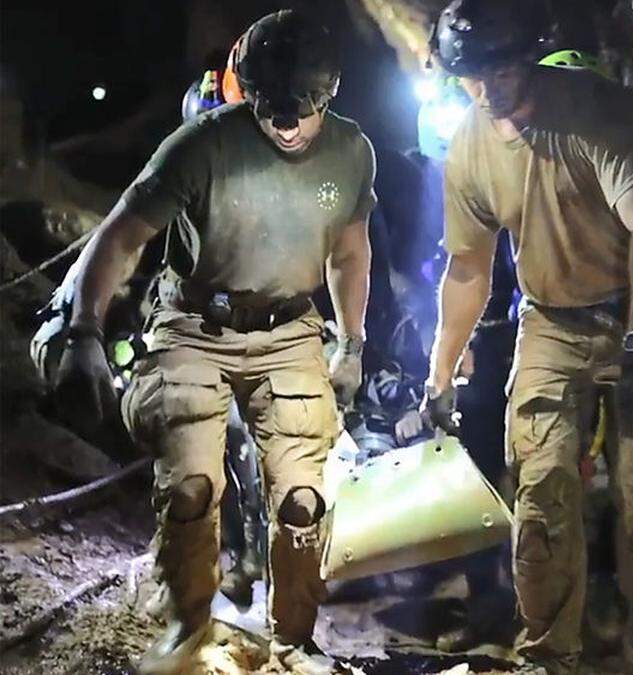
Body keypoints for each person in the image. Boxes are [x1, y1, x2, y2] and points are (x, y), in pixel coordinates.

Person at [52, 10, 375, 673]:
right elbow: (122, 235)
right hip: (195, 322)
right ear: (246, 92)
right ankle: (188, 621)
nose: (286, 124)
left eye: (301, 109)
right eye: (271, 109)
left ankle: (295, 636)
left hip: (288, 326)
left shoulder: (350, 152)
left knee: (301, 497)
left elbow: (349, 252)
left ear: (330, 91)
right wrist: (85, 325)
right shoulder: (201, 146)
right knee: (193, 483)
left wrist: (353, 343)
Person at [423, 0, 633, 671]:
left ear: (526, 58)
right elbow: (467, 269)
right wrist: (439, 369)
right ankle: (549, 651)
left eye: (499, 72)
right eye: (470, 77)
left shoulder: (594, 116)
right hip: (549, 319)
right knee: (540, 489)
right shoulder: (470, 147)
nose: (486, 91)